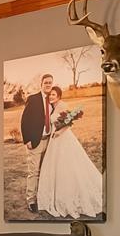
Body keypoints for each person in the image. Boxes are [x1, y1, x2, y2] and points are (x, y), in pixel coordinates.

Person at [32, 75, 104, 218]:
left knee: (68, 166)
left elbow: (69, 123)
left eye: (54, 94)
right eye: (50, 94)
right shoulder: (51, 107)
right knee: (55, 166)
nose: (51, 96)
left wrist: (59, 132)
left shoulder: (63, 105)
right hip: (54, 140)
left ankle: (72, 196)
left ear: (59, 96)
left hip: (63, 138)